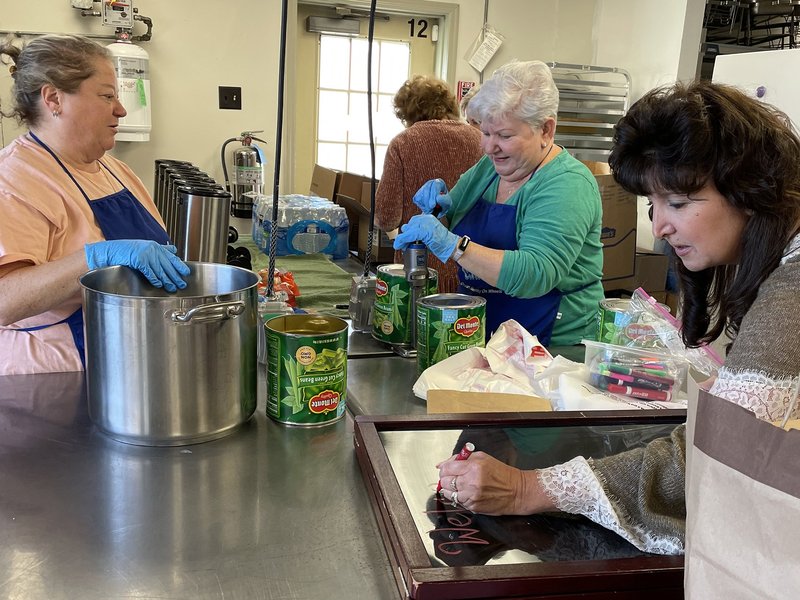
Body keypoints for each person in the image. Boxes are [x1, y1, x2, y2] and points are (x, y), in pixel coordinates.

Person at [435, 80, 800, 558]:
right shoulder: (485, 172)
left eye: (679, 203)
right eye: (654, 205)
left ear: (749, 187)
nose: (660, 226)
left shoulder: (790, 296)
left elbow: (716, 458)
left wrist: (528, 490)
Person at [0, 34, 190, 376]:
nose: (121, 109)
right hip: (56, 383)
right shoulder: (14, 179)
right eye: (106, 96)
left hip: (131, 367)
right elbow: (4, 300)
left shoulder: (115, 170)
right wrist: (97, 258)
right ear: (53, 98)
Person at [394, 60, 604, 345]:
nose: (489, 147)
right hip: (487, 333)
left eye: (504, 136)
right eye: (485, 133)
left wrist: (453, 246)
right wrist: (440, 207)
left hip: (549, 348)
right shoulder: (490, 168)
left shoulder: (567, 184)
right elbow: (455, 207)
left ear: (546, 130)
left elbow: (536, 273)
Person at [374, 75, 482, 293]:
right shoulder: (480, 139)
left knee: (419, 323)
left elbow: (385, 216)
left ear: (407, 112)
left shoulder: (403, 143)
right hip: (475, 263)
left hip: (419, 266)